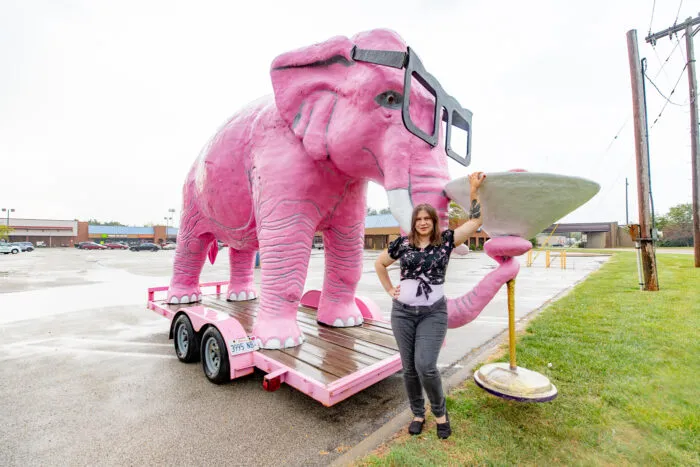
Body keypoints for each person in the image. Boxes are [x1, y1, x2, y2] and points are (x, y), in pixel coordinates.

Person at [374, 172, 486, 439]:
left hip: (433, 312)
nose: (423, 222)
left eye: (427, 219)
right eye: (419, 219)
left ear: (434, 222)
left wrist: (473, 190)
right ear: (414, 223)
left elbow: (476, 221)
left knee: (426, 365)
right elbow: (379, 264)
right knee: (409, 367)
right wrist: (390, 289)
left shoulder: (446, 241)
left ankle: (440, 414)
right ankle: (417, 413)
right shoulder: (402, 244)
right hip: (402, 313)